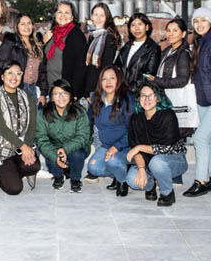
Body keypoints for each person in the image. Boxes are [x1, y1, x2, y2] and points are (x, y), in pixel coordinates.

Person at [183, 7, 211, 197]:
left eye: (203, 21)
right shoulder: (201, 42)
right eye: (196, 21)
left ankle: (201, 180)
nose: (199, 25)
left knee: (200, 138)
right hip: (203, 99)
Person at [125, 83, 188, 206]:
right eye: (143, 96)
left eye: (150, 96)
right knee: (131, 179)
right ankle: (150, 186)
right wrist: (142, 169)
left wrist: (139, 147)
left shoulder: (168, 115)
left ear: (158, 98)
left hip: (173, 160)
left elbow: (166, 148)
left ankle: (167, 193)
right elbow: (134, 148)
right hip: (148, 162)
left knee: (157, 162)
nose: (146, 99)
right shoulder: (136, 118)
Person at [0, 61, 40, 195]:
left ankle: (12, 172)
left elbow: (32, 126)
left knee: (34, 165)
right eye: (10, 73)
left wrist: (27, 147)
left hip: (20, 149)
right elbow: (1, 128)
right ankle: (1, 175)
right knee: (14, 189)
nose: (14, 77)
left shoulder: (28, 98)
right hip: (1, 150)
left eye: (18, 73)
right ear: (2, 77)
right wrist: (23, 147)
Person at [36, 79, 91, 192]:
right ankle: (58, 176)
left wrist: (65, 149)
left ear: (70, 95)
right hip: (54, 147)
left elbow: (82, 136)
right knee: (52, 157)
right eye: (56, 94)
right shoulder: (43, 113)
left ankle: (75, 179)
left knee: (76, 155)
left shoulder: (79, 112)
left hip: (76, 148)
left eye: (64, 93)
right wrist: (55, 154)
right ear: (51, 97)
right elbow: (41, 139)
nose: (61, 97)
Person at [87, 66, 133, 197]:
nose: (108, 82)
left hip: (125, 146)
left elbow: (133, 131)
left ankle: (122, 180)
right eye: (104, 79)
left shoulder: (127, 100)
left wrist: (116, 147)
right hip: (106, 146)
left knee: (112, 161)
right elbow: (88, 122)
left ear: (119, 80)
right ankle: (119, 172)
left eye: (112, 78)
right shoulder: (97, 100)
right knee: (93, 168)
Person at [0, 13, 48, 104]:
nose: (26, 27)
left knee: (33, 117)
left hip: (33, 89)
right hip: (16, 88)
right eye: (22, 24)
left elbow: (42, 71)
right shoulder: (10, 42)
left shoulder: (37, 44)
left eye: (29, 23)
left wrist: (43, 93)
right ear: (17, 26)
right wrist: (7, 89)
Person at [44, 1, 87, 99]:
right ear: (55, 15)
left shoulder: (76, 35)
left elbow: (81, 66)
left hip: (66, 89)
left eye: (67, 12)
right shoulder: (52, 33)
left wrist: (74, 92)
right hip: (51, 88)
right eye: (60, 12)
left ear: (72, 17)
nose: (63, 15)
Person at [115, 12, 160, 94]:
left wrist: (130, 89)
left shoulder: (153, 48)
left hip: (139, 94)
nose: (136, 28)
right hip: (121, 92)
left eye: (140, 24)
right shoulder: (126, 47)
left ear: (147, 27)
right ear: (129, 29)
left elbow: (148, 75)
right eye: (133, 25)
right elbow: (117, 68)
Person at [84, 3, 121, 97]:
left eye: (102, 15)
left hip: (101, 88)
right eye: (95, 15)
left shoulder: (109, 37)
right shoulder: (93, 36)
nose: (98, 18)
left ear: (107, 17)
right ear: (91, 16)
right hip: (92, 86)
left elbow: (107, 66)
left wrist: (95, 89)